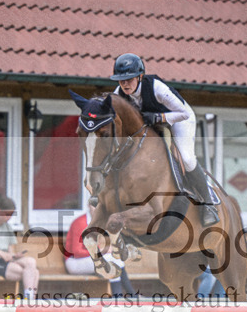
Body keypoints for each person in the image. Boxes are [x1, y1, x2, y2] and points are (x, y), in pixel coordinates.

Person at [109, 53, 219, 227]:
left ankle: (208, 203)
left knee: (187, 159)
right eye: (121, 80)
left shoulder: (156, 88)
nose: (125, 84)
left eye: (129, 79)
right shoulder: (118, 95)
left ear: (140, 76)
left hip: (179, 120)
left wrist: (159, 117)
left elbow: (183, 113)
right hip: (150, 127)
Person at [65, 210, 134, 297]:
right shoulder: (80, 222)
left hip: (90, 260)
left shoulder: (100, 222)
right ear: (89, 205)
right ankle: (125, 296)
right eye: (95, 205)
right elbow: (76, 252)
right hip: (74, 262)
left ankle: (125, 295)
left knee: (115, 260)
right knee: (111, 261)